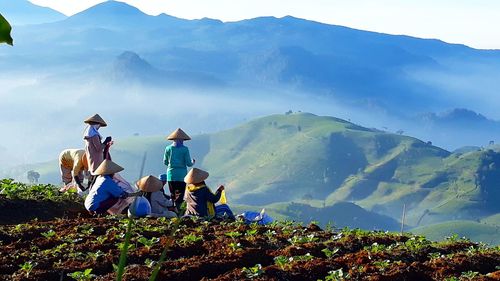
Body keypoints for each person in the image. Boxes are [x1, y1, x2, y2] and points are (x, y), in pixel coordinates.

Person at [163, 128, 195, 210]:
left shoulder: (168, 148)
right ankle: (178, 209)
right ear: (182, 140)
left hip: (171, 174)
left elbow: (165, 162)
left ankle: (172, 208)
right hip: (181, 175)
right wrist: (193, 162)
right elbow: (188, 163)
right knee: (180, 194)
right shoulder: (185, 149)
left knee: (173, 194)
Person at [83, 114, 113, 187]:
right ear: (96, 125)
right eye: (99, 125)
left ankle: (90, 189)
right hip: (97, 159)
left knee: (93, 175)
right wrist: (106, 141)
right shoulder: (94, 135)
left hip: (91, 157)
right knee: (97, 176)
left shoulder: (89, 135)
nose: (99, 127)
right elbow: (99, 148)